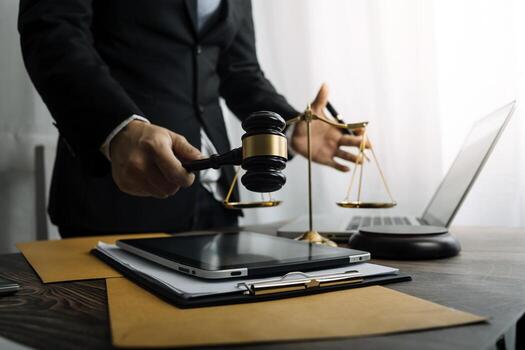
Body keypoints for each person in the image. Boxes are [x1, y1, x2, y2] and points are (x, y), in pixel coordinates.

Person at [18, 0, 366, 237]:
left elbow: (240, 70)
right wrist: (119, 127)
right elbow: (52, 30)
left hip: (216, 203)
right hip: (115, 198)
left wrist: (289, 127)